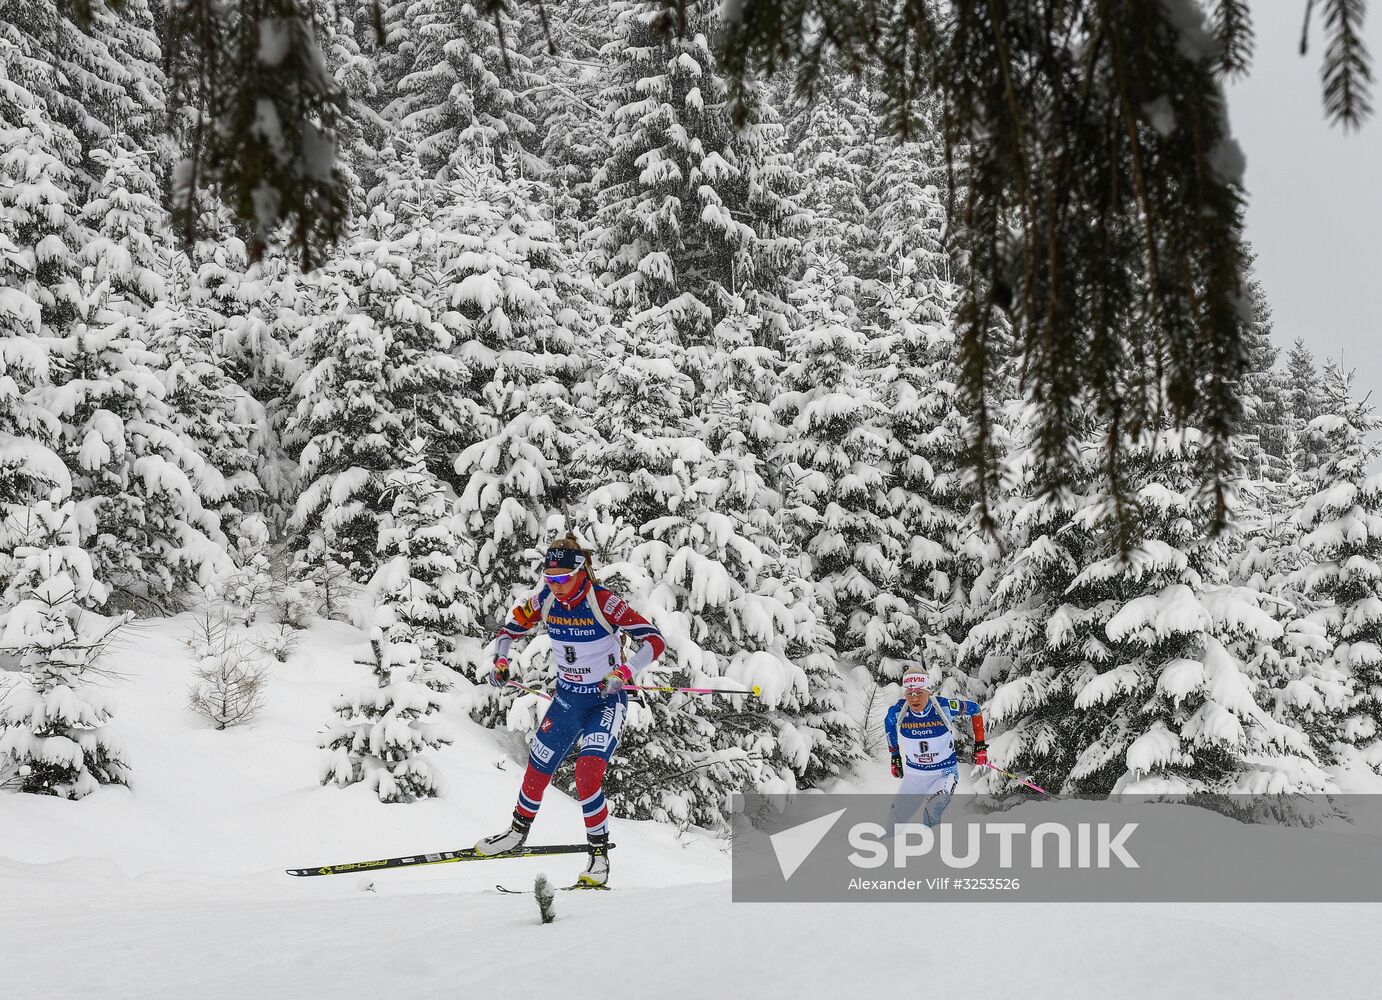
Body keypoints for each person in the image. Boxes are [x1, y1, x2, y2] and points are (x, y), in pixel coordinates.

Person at [473, 533, 666, 887]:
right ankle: (516, 834)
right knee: (538, 767)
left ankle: (598, 859)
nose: (557, 586)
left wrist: (626, 671)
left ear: (580, 572)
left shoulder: (604, 602)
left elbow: (655, 640)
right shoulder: (545, 599)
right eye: (551, 579)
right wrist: (501, 660)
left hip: (604, 703)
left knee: (587, 775)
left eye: (563, 579)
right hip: (567, 700)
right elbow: (508, 630)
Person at [884, 666, 988, 830]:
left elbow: (974, 709)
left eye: (919, 692)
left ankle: (932, 850)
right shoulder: (898, 711)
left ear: (928, 691)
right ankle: (889, 849)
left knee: (931, 810)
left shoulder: (944, 707)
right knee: (895, 820)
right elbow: (888, 724)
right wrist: (895, 756)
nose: (914, 698)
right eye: (909, 694)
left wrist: (980, 746)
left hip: (944, 773)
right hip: (915, 774)